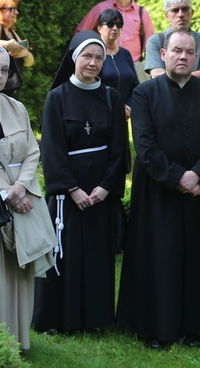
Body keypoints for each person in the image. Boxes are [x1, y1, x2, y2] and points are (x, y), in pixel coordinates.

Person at [117, 31, 200, 350]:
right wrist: (179, 177)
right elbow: (145, 146)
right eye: (177, 51)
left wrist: (199, 176)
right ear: (163, 54)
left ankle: (192, 326)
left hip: (198, 191)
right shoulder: (144, 93)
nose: (183, 56)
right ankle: (154, 327)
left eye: (189, 52)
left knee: (195, 255)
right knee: (158, 257)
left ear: (196, 57)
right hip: (157, 191)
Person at [32, 31, 127, 334]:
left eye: (99, 57)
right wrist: (72, 189)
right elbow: (52, 150)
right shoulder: (56, 98)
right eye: (87, 56)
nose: (93, 62)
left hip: (100, 190)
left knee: (98, 255)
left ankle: (96, 320)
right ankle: (58, 320)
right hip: (67, 192)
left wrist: (105, 188)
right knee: (64, 253)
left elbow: (119, 149)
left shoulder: (112, 98)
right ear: (75, 58)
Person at [0, 40, 56, 351]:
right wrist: (6, 192)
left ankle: (18, 340)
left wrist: (21, 186)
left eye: (4, 70)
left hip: (23, 198)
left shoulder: (15, 107)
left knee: (19, 274)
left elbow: (33, 152)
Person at [75, 0, 155, 82]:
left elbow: (149, 41)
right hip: (104, 64)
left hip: (133, 66)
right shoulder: (100, 8)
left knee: (136, 97)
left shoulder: (141, 12)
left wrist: (151, 66)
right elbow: (80, 32)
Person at [144, 0, 200, 81]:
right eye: (174, 10)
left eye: (185, 9)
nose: (180, 15)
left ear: (192, 13)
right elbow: (157, 75)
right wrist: (193, 77)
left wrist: (172, 77)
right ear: (167, 16)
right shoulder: (155, 41)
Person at [96, 8, 139, 119]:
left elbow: (135, 86)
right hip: (100, 117)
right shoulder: (95, 55)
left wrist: (128, 107)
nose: (115, 28)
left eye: (119, 24)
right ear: (99, 28)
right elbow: (91, 87)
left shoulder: (125, 54)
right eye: (110, 24)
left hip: (122, 117)